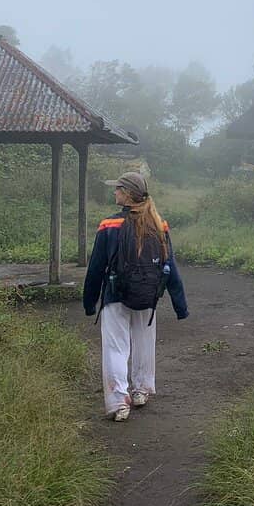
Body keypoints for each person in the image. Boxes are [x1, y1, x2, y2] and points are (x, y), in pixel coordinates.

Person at [83, 171, 188, 421]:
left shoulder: (109, 226)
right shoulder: (158, 224)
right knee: (143, 343)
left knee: (116, 349)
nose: (114, 192)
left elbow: (96, 268)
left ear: (127, 194)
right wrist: (180, 305)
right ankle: (141, 390)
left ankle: (120, 402)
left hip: (115, 297)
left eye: (118, 188)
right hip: (147, 296)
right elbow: (170, 265)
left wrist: (89, 302)